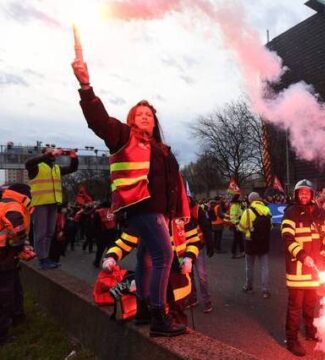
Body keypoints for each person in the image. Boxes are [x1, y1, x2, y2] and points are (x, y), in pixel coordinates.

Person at [72, 56, 189, 337]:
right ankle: (160, 318)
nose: (145, 116)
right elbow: (98, 121)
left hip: (158, 212)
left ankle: (143, 310)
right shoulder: (124, 136)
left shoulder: (162, 149)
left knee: (148, 258)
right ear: (131, 120)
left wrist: (179, 213)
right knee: (164, 255)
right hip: (142, 208)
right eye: (140, 114)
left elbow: (175, 184)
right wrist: (86, 86)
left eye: (149, 114)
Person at [281, 180, 325, 357]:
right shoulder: (290, 212)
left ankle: (311, 331)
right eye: (301, 192)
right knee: (295, 307)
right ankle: (292, 340)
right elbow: (288, 238)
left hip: (315, 271)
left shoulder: (320, 212)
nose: (304, 195)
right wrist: (303, 256)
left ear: (312, 194)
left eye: (307, 192)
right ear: (297, 194)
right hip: (298, 271)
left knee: (310, 304)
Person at [25, 148, 78, 269]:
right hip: (40, 203)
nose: (54, 152)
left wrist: (74, 157)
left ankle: (46, 257)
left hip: (53, 203)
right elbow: (27, 163)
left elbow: (73, 168)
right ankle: (41, 259)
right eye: (50, 151)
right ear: (44, 154)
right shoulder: (36, 166)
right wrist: (48, 154)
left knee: (49, 232)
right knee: (41, 233)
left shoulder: (56, 168)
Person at [0, 184, 36, 344]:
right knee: (5, 294)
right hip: (4, 256)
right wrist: (22, 248)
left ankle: (17, 316)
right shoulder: (14, 207)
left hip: (6, 255)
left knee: (14, 287)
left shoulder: (5, 203)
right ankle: (2, 334)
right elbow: (17, 230)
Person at [237, 192, 272, 299]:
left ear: (250, 200)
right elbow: (269, 227)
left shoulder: (247, 212)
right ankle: (265, 290)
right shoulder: (267, 210)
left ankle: (249, 286)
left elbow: (241, 228)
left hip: (250, 242)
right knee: (264, 267)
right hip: (264, 242)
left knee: (249, 267)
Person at [185, 196, 214, 313]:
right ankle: (192, 299)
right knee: (189, 276)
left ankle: (207, 302)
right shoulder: (177, 211)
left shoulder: (197, 210)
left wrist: (210, 245)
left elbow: (206, 228)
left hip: (198, 247)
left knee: (202, 276)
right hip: (185, 250)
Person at [226, 194, 245, 259]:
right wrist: (236, 223)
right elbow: (233, 216)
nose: (242, 198)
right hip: (236, 224)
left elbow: (241, 213)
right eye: (240, 197)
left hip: (239, 224)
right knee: (236, 239)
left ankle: (242, 251)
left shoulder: (239, 205)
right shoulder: (234, 205)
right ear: (237, 198)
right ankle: (233, 253)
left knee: (240, 239)